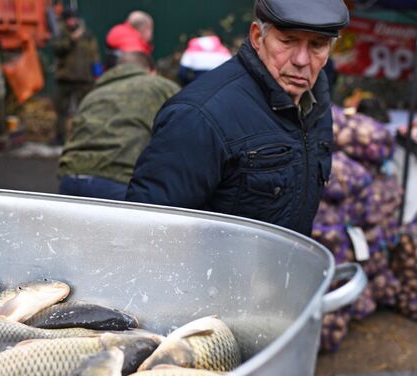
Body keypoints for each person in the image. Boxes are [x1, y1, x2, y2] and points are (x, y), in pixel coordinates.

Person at [126, 0, 349, 236]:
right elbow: (148, 231)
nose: (301, 60)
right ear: (256, 37)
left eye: (317, 45)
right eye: (288, 41)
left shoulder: (315, 106)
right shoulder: (198, 116)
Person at [58, 52, 180, 200]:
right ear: (151, 71)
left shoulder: (93, 93)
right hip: (117, 180)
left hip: (71, 178)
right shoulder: (161, 85)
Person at [50, 8, 101, 145]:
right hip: (65, 78)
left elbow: (95, 56)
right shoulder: (61, 35)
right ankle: (60, 137)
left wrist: (98, 74)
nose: (72, 22)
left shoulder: (87, 35)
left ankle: (85, 137)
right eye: (69, 19)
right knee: (61, 110)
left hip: (85, 79)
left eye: (74, 18)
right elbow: (58, 50)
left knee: (85, 110)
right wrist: (71, 40)